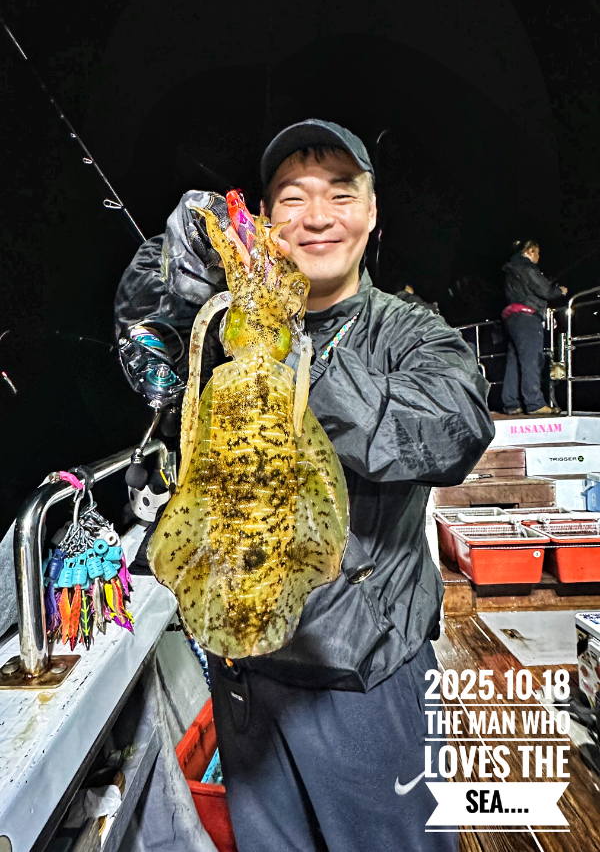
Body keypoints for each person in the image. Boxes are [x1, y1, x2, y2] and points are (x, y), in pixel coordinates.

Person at [115, 119, 494, 852]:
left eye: (341, 193)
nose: (318, 216)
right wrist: (171, 270)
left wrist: (292, 358)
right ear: (263, 220)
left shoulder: (409, 331)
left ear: (373, 212)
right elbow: (148, 356)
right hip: (243, 684)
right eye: (292, 198)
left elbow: (454, 427)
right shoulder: (221, 329)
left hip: (364, 686)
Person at [501, 239, 568, 417]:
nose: (539, 257)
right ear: (530, 251)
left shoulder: (511, 269)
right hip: (527, 318)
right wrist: (559, 290)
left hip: (512, 318)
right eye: (537, 253)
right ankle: (534, 403)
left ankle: (511, 404)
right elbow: (545, 291)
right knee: (531, 359)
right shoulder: (527, 267)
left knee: (514, 360)